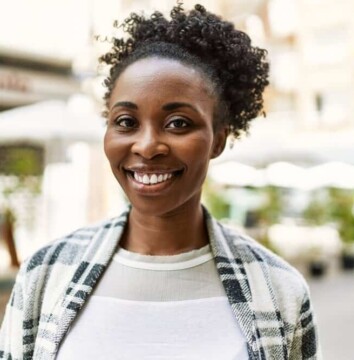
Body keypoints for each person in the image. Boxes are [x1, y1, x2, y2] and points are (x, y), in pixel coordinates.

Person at [0, 2, 321, 359]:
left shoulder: (279, 290)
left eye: (179, 123)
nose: (148, 146)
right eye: (125, 122)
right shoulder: (46, 274)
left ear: (218, 139)